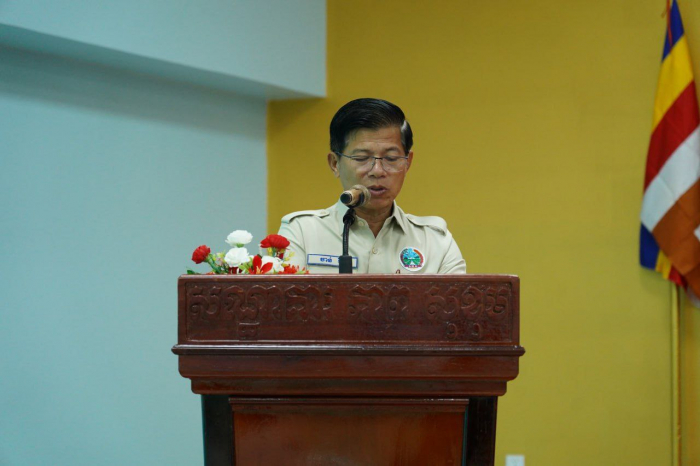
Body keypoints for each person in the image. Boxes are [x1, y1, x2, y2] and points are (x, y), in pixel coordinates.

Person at [277, 98, 466, 274]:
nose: (377, 171)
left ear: (407, 162)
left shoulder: (435, 241)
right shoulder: (301, 232)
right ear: (335, 164)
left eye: (391, 158)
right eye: (361, 158)